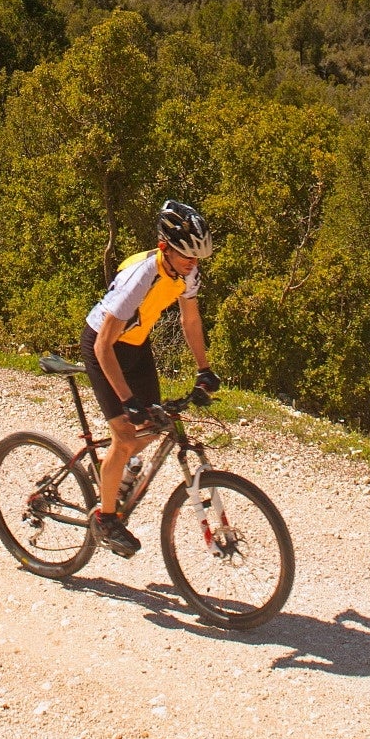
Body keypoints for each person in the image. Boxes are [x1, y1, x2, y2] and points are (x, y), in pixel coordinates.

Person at [81, 200, 220, 557]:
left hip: (136, 346)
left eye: (197, 258)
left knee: (155, 425)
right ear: (165, 248)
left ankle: (117, 471)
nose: (193, 264)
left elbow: (190, 320)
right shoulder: (140, 277)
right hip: (104, 348)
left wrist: (204, 369)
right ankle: (105, 517)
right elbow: (102, 346)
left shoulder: (187, 272)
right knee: (126, 434)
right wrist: (127, 400)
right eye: (187, 256)